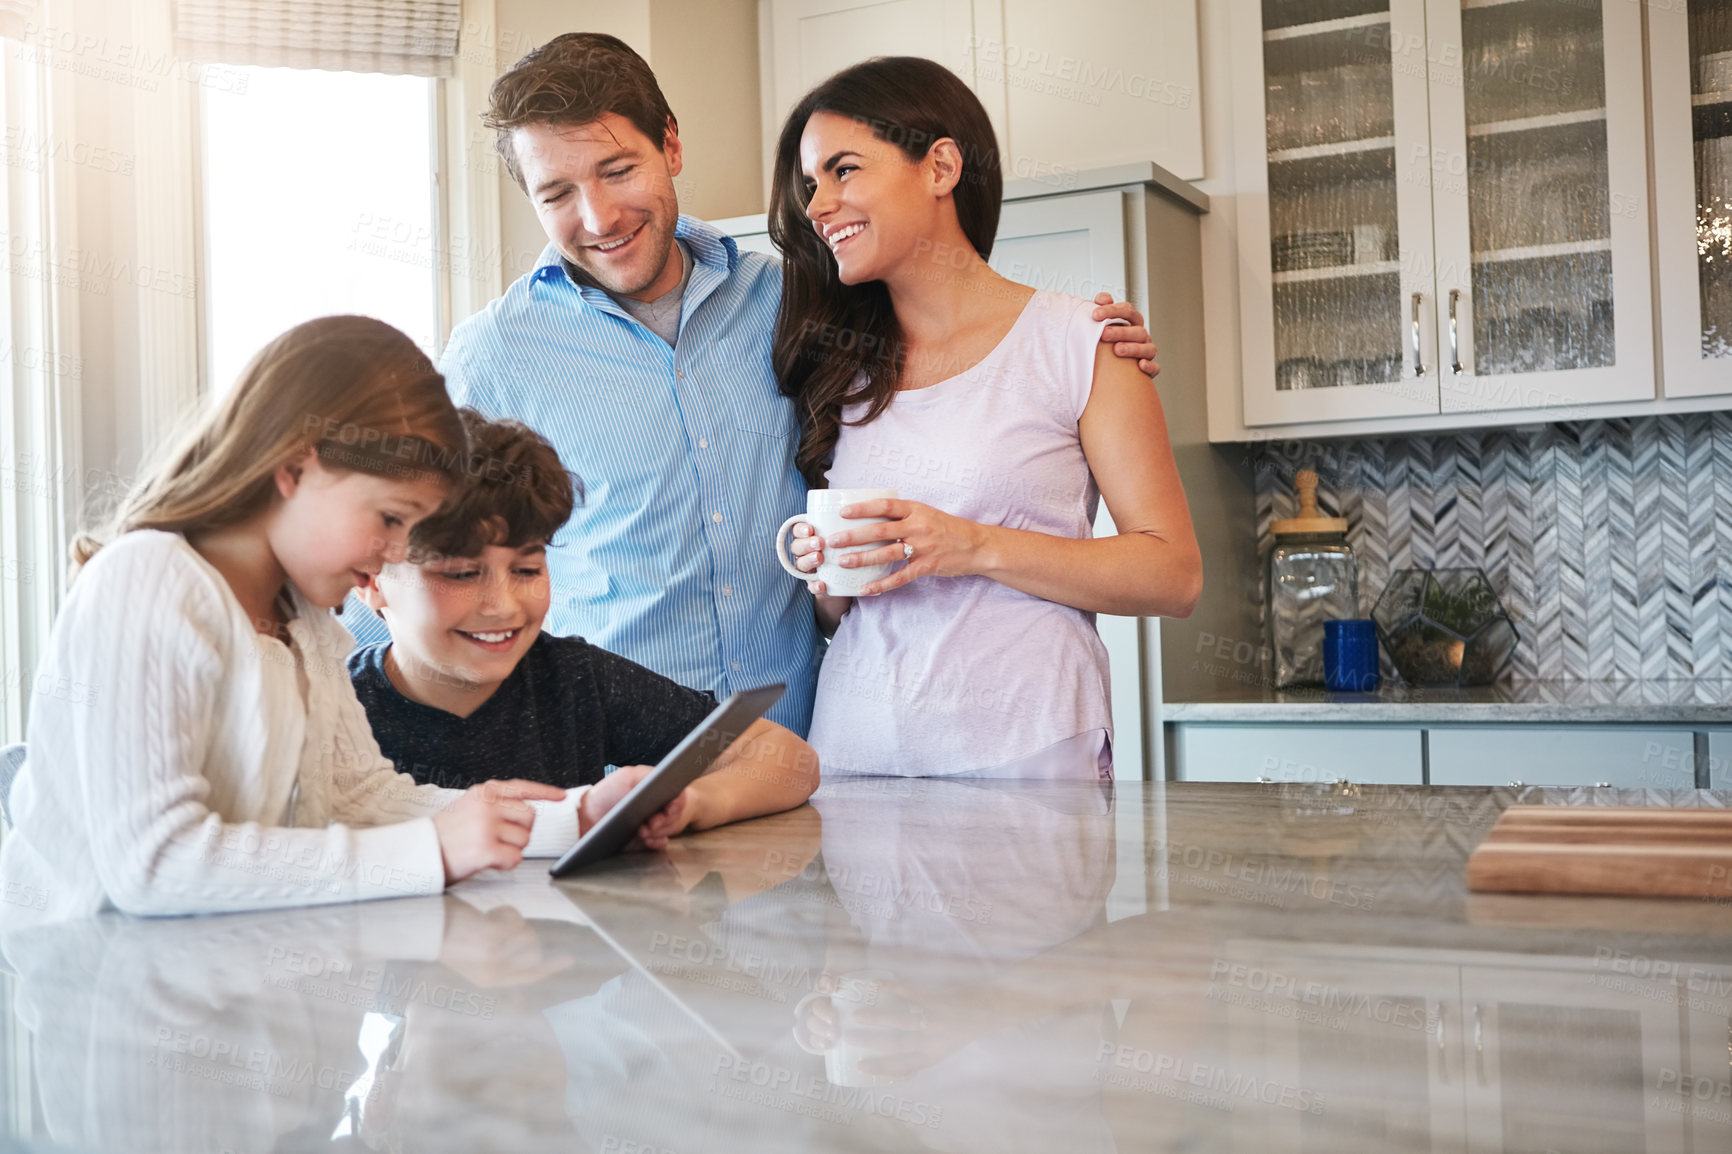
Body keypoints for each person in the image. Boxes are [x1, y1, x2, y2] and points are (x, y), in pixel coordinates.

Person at [380, 32, 1162, 738]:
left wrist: (1082, 337)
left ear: (672, 147)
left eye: (619, 170)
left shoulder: (796, 303)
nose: (599, 215)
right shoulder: (493, 356)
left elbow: (953, 324)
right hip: (615, 769)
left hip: (803, 764)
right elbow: (393, 565)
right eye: (557, 194)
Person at [2, 318, 595, 926]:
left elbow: (358, 795)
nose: (395, 553)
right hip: (110, 992)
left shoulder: (302, 616)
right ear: (293, 468)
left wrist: (575, 818)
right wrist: (431, 851)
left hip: (235, 982)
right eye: (391, 518)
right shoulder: (151, 581)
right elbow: (153, 863)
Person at [775, 57, 1203, 778]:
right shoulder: (839, 371)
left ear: (940, 166)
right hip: (855, 758)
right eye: (811, 185)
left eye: (843, 170)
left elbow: (1174, 574)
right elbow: (839, 618)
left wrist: (971, 546)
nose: (818, 206)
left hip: (1027, 755)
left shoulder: (1082, 343)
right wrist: (830, 582)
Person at [350, 409, 819, 848]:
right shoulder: (332, 704)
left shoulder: (574, 678)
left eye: (527, 570)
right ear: (370, 579)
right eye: (459, 574)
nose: (503, 605)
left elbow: (789, 760)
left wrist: (690, 802)